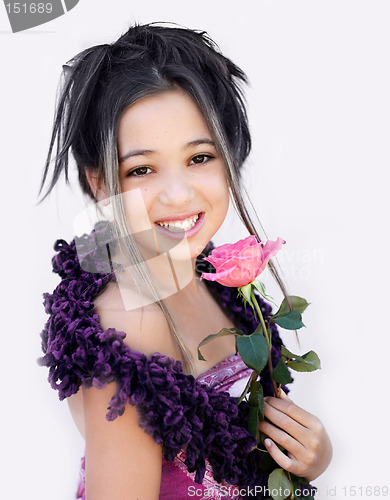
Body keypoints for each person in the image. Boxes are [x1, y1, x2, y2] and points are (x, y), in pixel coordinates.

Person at [38, 23, 332, 499]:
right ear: (99, 183)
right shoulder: (126, 327)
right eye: (142, 169)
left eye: (199, 158)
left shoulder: (210, 278)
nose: (178, 193)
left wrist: (310, 456)